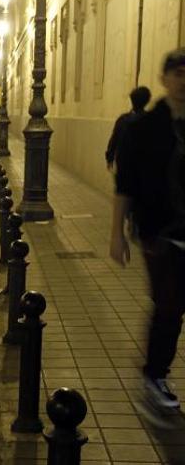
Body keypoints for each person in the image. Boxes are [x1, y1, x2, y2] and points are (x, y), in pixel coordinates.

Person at [111, 48, 185, 410]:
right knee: (169, 304)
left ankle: (156, 366)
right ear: (164, 79)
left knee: (176, 304)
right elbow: (125, 183)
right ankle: (155, 373)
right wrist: (116, 233)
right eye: (178, 73)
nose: (184, 81)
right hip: (157, 231)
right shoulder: (143, 128)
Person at [105, 86, 151, 169]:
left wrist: (110, 158)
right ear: (147, 101)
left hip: (124, 163)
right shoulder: (150, 120)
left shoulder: (122, 120)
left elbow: (114, 139)